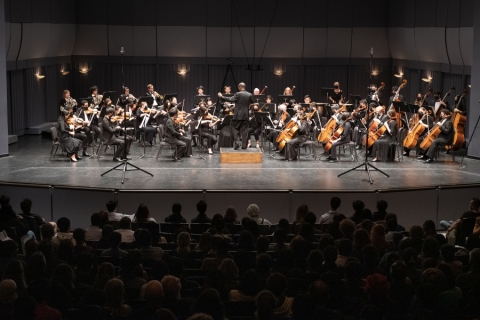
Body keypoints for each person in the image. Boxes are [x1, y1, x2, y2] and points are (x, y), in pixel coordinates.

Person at [218, 82, 254, 149]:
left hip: (238, 116)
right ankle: (244, 146)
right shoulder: (249, 94)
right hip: (246, 115)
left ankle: (237, 142)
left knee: (234, 128)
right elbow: (252, 103)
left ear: (239, 87)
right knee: (245, 131)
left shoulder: (238, 94)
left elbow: (230, 99)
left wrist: (221, 96)